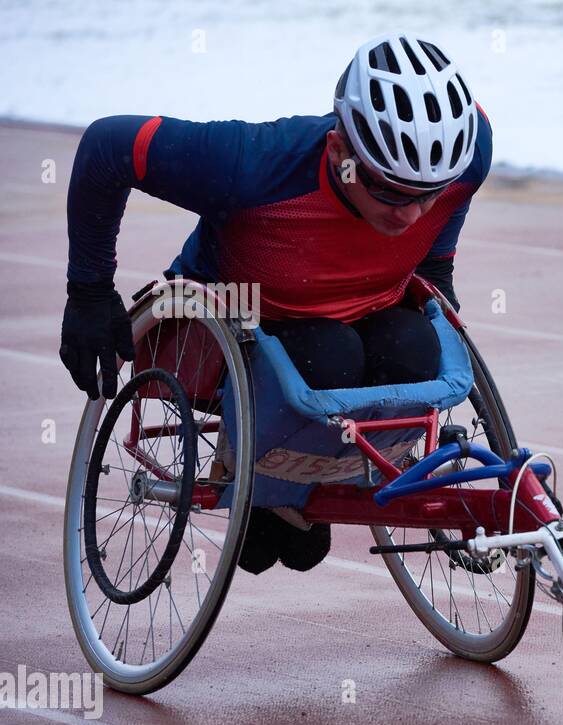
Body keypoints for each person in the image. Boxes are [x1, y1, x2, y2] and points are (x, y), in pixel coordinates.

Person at [59, 32, 493, 574]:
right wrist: (90, 292)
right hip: (248, 331)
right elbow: (108, 146)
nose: (409, 214)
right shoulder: (252, 166)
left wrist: (436, 267)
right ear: (340, 153)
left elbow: (453, 200)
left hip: (369, 311)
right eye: (387, 191)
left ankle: (306, 489)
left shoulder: (468, 151)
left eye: (425, 195)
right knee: (328, 354)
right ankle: (277, 493)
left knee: (414, 348)